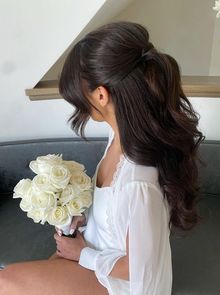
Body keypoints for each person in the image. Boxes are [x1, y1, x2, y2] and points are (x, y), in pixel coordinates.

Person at [0, 21, 205, 295]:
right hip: (98, 254)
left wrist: (81, 253)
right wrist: (83, 218)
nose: (78, 106)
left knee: (7, 280)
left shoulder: (138, 181)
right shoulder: (119, 137)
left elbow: (138, 270)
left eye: (79, 96)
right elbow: (118, 216)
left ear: (101, 94)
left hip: (122, 282)